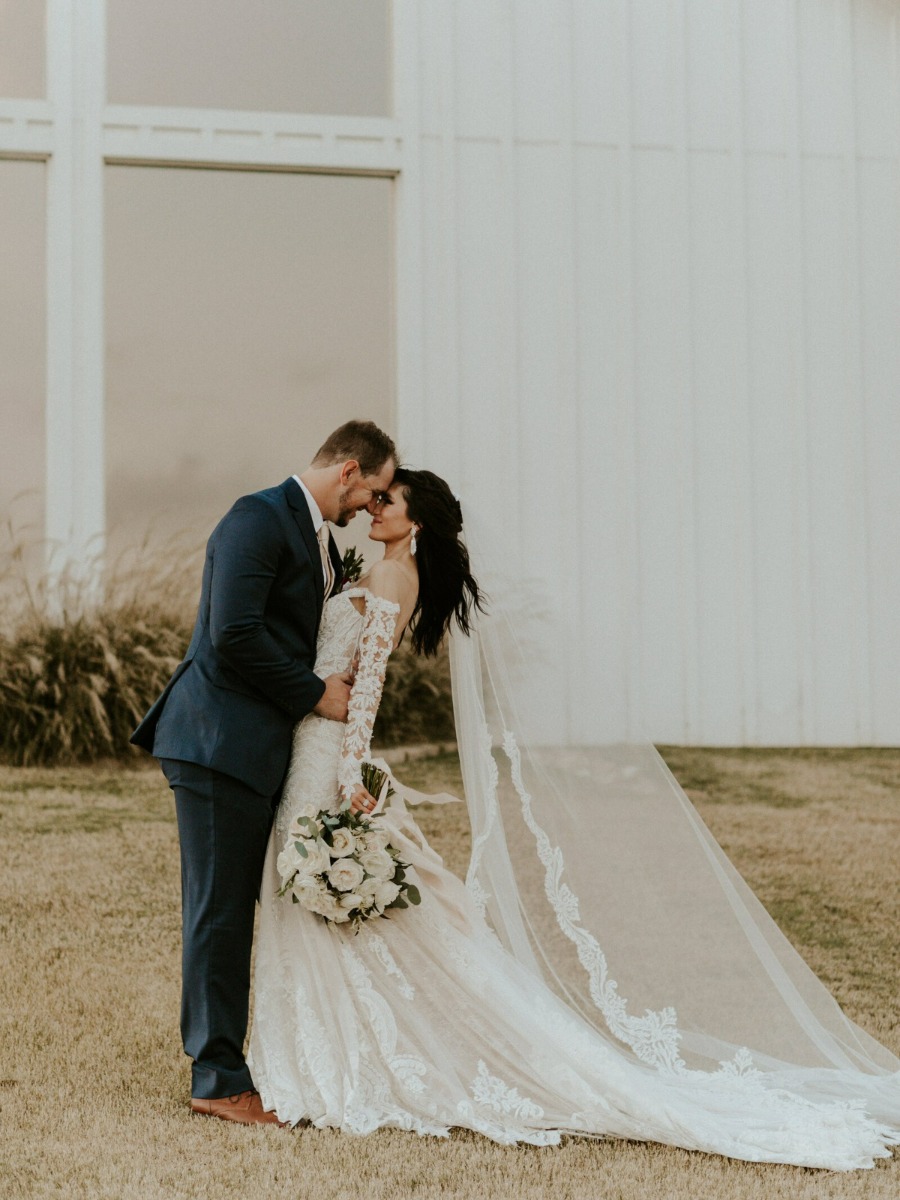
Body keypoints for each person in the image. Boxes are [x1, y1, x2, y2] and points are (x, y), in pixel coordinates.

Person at [245, 467, 900, 1169]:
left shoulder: (395, 579)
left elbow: (366, 692)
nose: (374, 507)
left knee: (320, 890)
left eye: (388, 500)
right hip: (309, 746)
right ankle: (315, 1042)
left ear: (418, 521)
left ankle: (347, 1053)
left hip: (326, 757)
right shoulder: (377, 570)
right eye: (376, 496)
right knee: (309, 898)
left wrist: (352, 782)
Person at [131, 419, 397, 1125]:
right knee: (218, 910)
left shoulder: (311, 534)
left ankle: (233, 1063)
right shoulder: (256, 517)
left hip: (250, 746)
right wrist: (317, 695)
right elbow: (234, 631)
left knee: (232, 907)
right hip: (217, 740)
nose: (370, 509)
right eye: (371, 493)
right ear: (347, 469)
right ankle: (217, 1078)